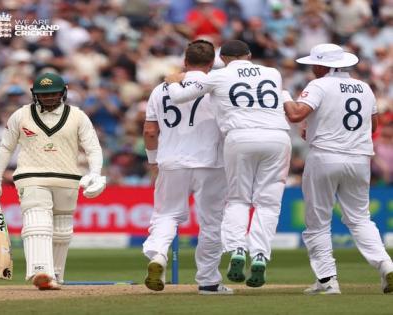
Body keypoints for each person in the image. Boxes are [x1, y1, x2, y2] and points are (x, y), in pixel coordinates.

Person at [165, 39, 291, 288]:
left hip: (240, 137)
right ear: (249, 55)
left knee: (238, 200)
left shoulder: (217, 77)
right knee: (268, 204)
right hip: (278, 137)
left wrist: (172, 83)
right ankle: (259, 255)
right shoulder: (272, 73)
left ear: (223, 59)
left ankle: (236, 250)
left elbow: (179, 97)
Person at [282, 43, 393, 294]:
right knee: (360, 219)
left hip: (325, 156)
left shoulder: (320, 85)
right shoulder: (364, 87)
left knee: (318, 221)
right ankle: (386, 265)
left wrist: (285, 96)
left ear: (324, 65)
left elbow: (296, 115)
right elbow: (372, 126)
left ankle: (327, 280)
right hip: (359, 159)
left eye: (314, 64)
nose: (311, 68)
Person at [0, 72, 106, 290]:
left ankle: (55, 275)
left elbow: (92, 147)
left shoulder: (77, 116)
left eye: (53, 94)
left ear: (63, 92)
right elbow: (6, 147)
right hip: (31, 177)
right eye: (43, 94)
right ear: (34, 95)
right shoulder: (20, 115)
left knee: (62, 230)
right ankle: (41, 271)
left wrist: (95, 173)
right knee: (37, 222)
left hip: (68, 179)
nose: (48, 98)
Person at [142, 39, 232, 295]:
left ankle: (158, 254)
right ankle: (208, 282)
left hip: (171, 161)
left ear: (185, 60)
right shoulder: (217, 86)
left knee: (166, 215)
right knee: (211, 222)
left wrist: (153, 161)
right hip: (210, 163)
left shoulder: (161, 88)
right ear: (211, 63)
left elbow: (150, 131)